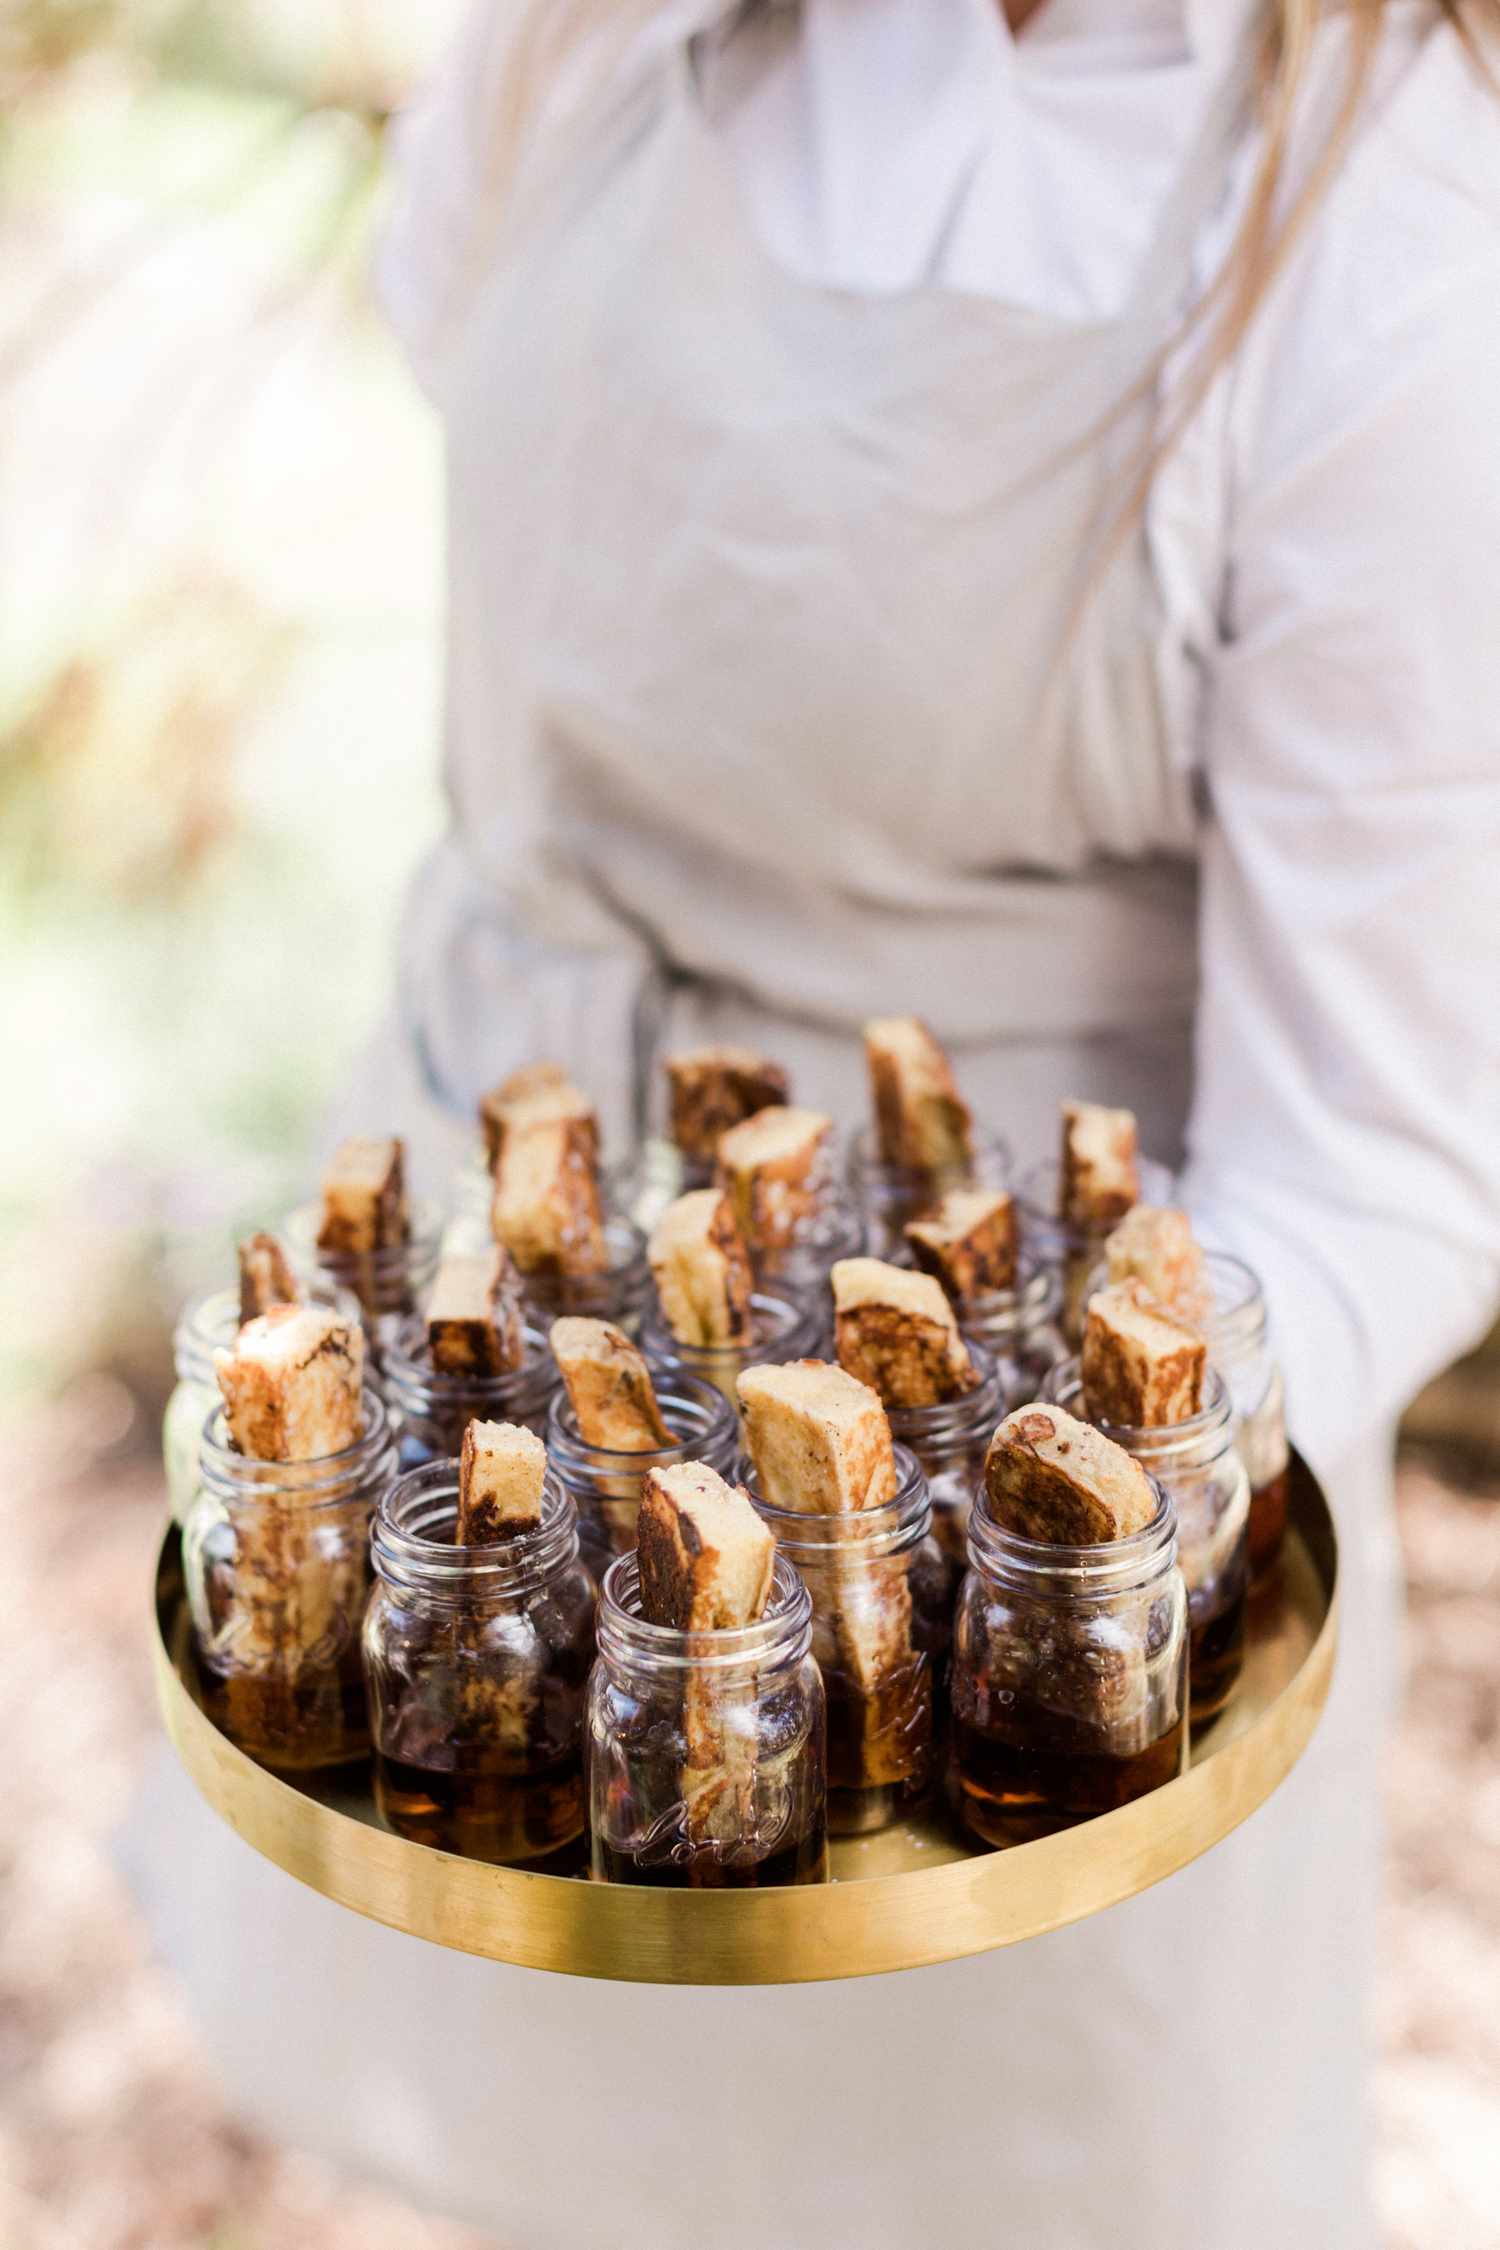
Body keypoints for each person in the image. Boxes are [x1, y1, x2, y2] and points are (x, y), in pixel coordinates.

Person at [128, 3, 1500, 2245]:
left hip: (971, 1599)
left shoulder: (1395, 236)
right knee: (493, 2148)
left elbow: (1393, 1161)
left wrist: (995, 1586)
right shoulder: (582, 42)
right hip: (475, 1403)